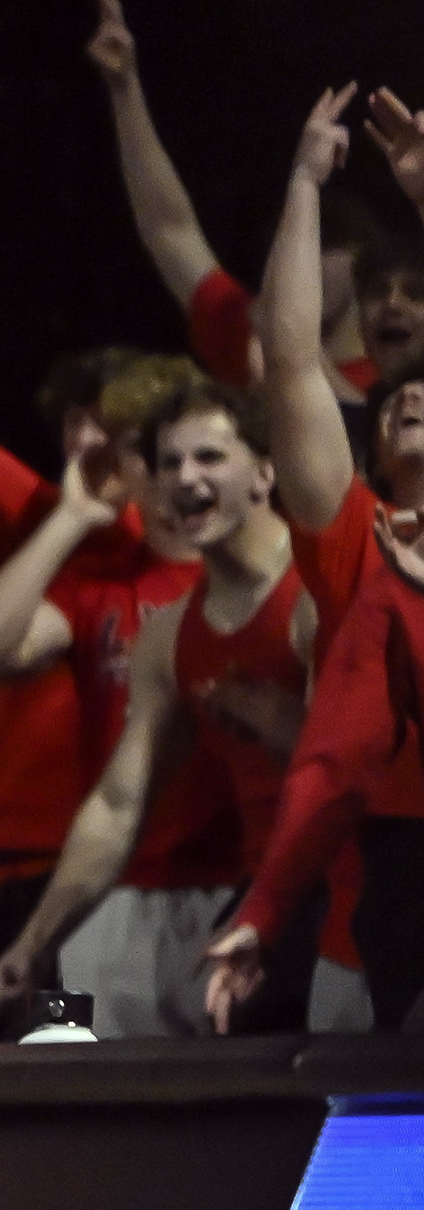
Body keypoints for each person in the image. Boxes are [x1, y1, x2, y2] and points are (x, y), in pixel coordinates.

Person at [0, 382, 312, 1034]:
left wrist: (293, 730)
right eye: (169, 463)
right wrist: (35, 940)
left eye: (210, 458)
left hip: (350, 895)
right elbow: (117, 803)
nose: (185, 478)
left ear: (265, 473)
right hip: (242, 906)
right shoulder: (171, 633)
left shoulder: (318, 593)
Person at [209, 82, 424, 1024]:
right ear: (371, 450)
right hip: (361, 932)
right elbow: (289, 354)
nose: (412, 400)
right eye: (392, 405)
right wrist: (302, 180)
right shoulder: (354, 538)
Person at [0, 356, 238, 1034]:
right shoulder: (103, 584)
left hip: (240, 883)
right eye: (153, 456)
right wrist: (73, 515)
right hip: (118, 898)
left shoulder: (265, 578)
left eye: (193, 455)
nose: (177, 477)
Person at [87, 0, 380, 400]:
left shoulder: (397, 381)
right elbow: (169, 229)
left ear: (362, 262)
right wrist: (124, 88)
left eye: (323, 247)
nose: (302, 266)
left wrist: (291, 351)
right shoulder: (251, 330)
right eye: (290, 249)